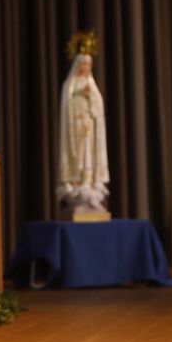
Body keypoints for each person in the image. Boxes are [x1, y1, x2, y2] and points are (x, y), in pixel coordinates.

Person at [56, 42, 109, 216]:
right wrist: (79, 95)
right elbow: (67, 107)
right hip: (75, 128)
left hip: (89, 129)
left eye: (89, 64)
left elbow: (98, 109)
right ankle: (76, 182)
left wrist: (91, 98)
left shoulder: (92, 85)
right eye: (83, 64)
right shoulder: (70, 86)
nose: (86, 67)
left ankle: (89, 181)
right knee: (77, 156)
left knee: (88, 155)